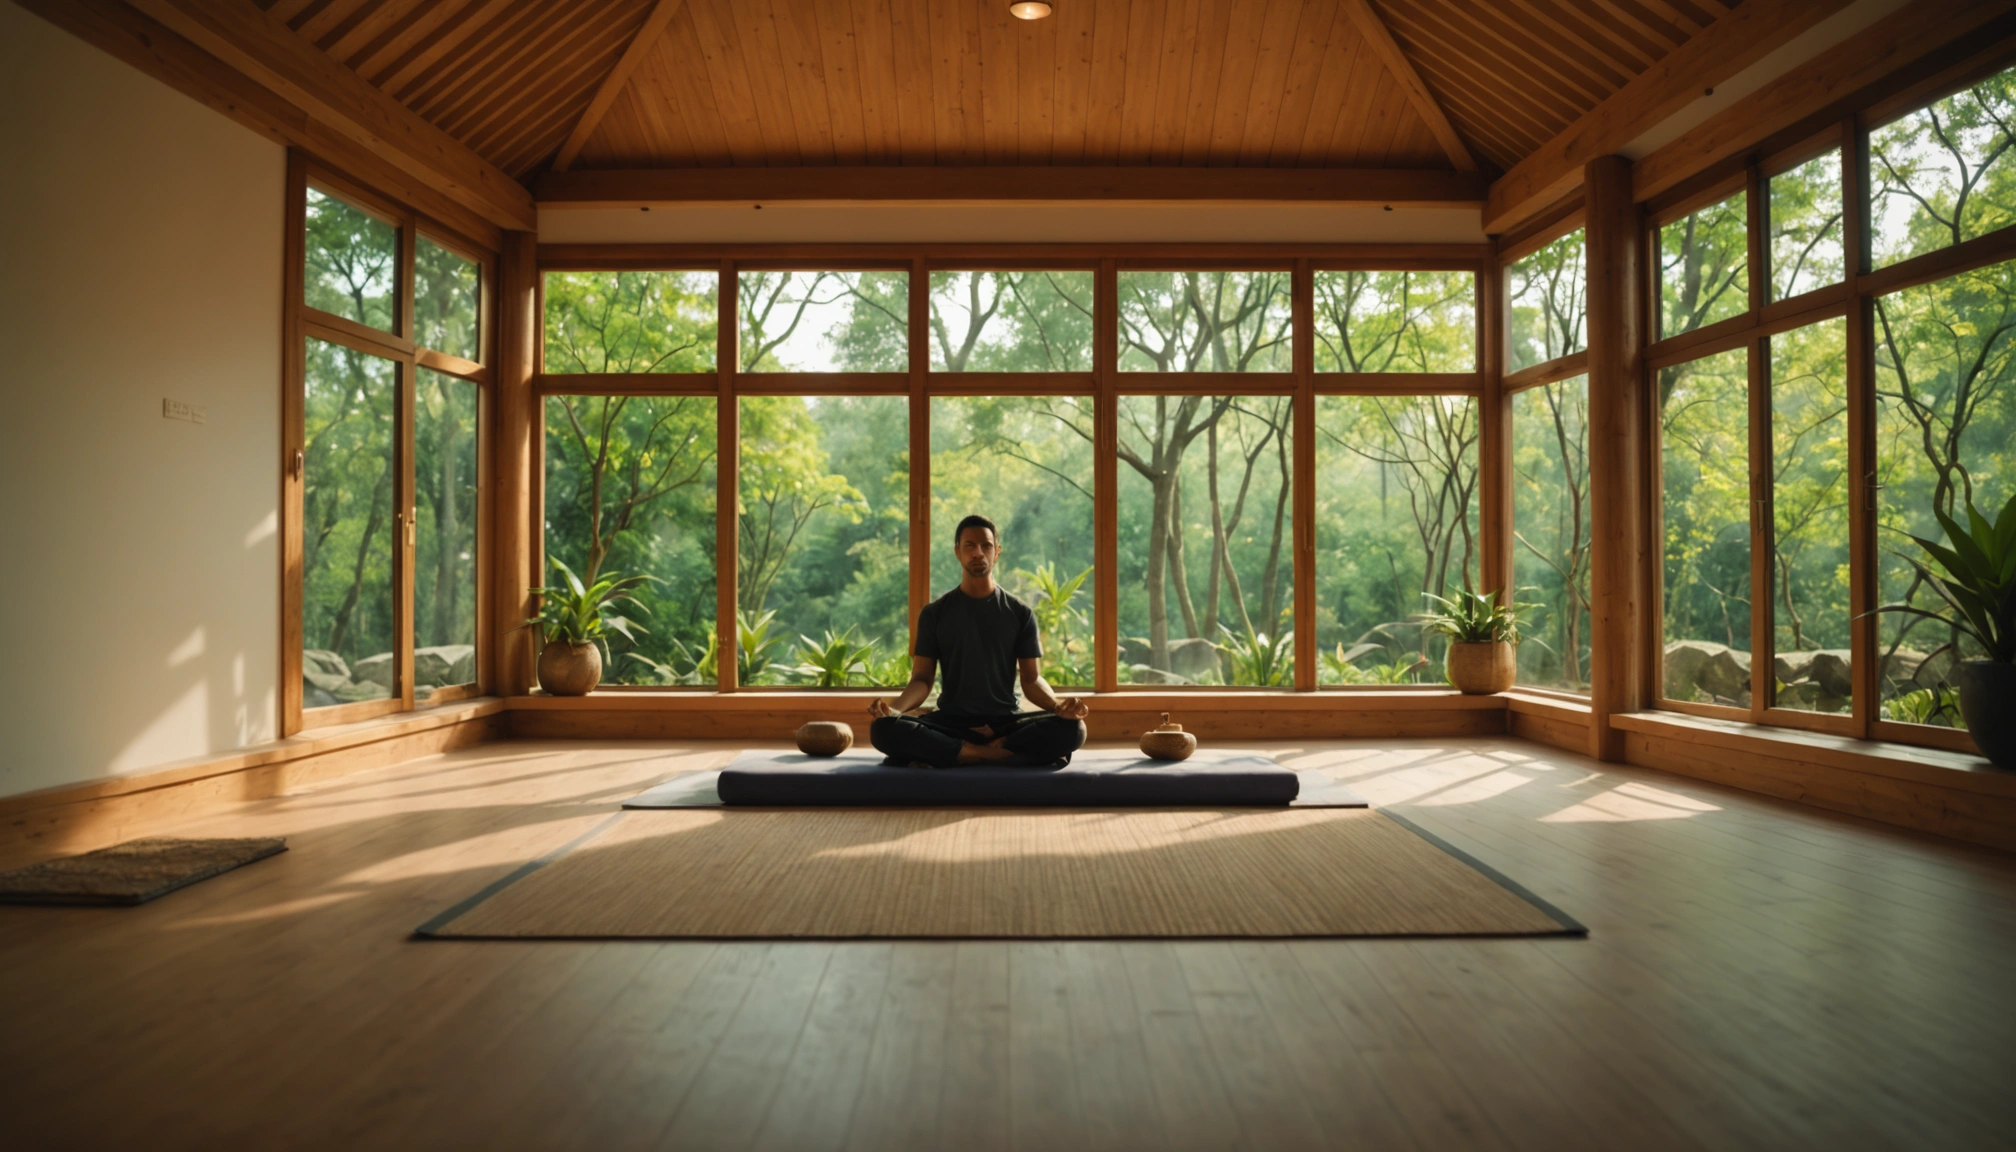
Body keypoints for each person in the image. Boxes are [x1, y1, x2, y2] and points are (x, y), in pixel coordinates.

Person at [868, 514, 1090, 769]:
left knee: (1074, 729)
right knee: (882, 730)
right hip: (951, 723)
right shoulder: (934, 614)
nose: (978, 553)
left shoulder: (1020, 613)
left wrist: (1057, 707)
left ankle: (959, 755)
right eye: (969, 546)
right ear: (957, 552)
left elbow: (1031, 680)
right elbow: (922, 679)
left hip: (1006, 724)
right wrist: (893, 710)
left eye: (986, 546)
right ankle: (997, 755)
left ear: (997, 552)